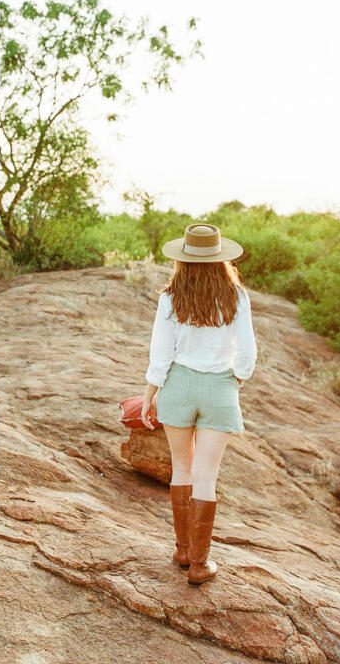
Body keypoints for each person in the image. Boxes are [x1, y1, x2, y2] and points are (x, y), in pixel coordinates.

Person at [140, 223, 257, 586]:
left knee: (182, 469)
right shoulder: (237, 297)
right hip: (220, 388)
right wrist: (235, 379)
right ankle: (199, 565)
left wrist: (149, 393)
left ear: (183, 258)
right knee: (206, 476)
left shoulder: (170, 297)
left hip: (178, 385)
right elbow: (248, 351)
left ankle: (183, 551)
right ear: (221, 258)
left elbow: (161, 352)